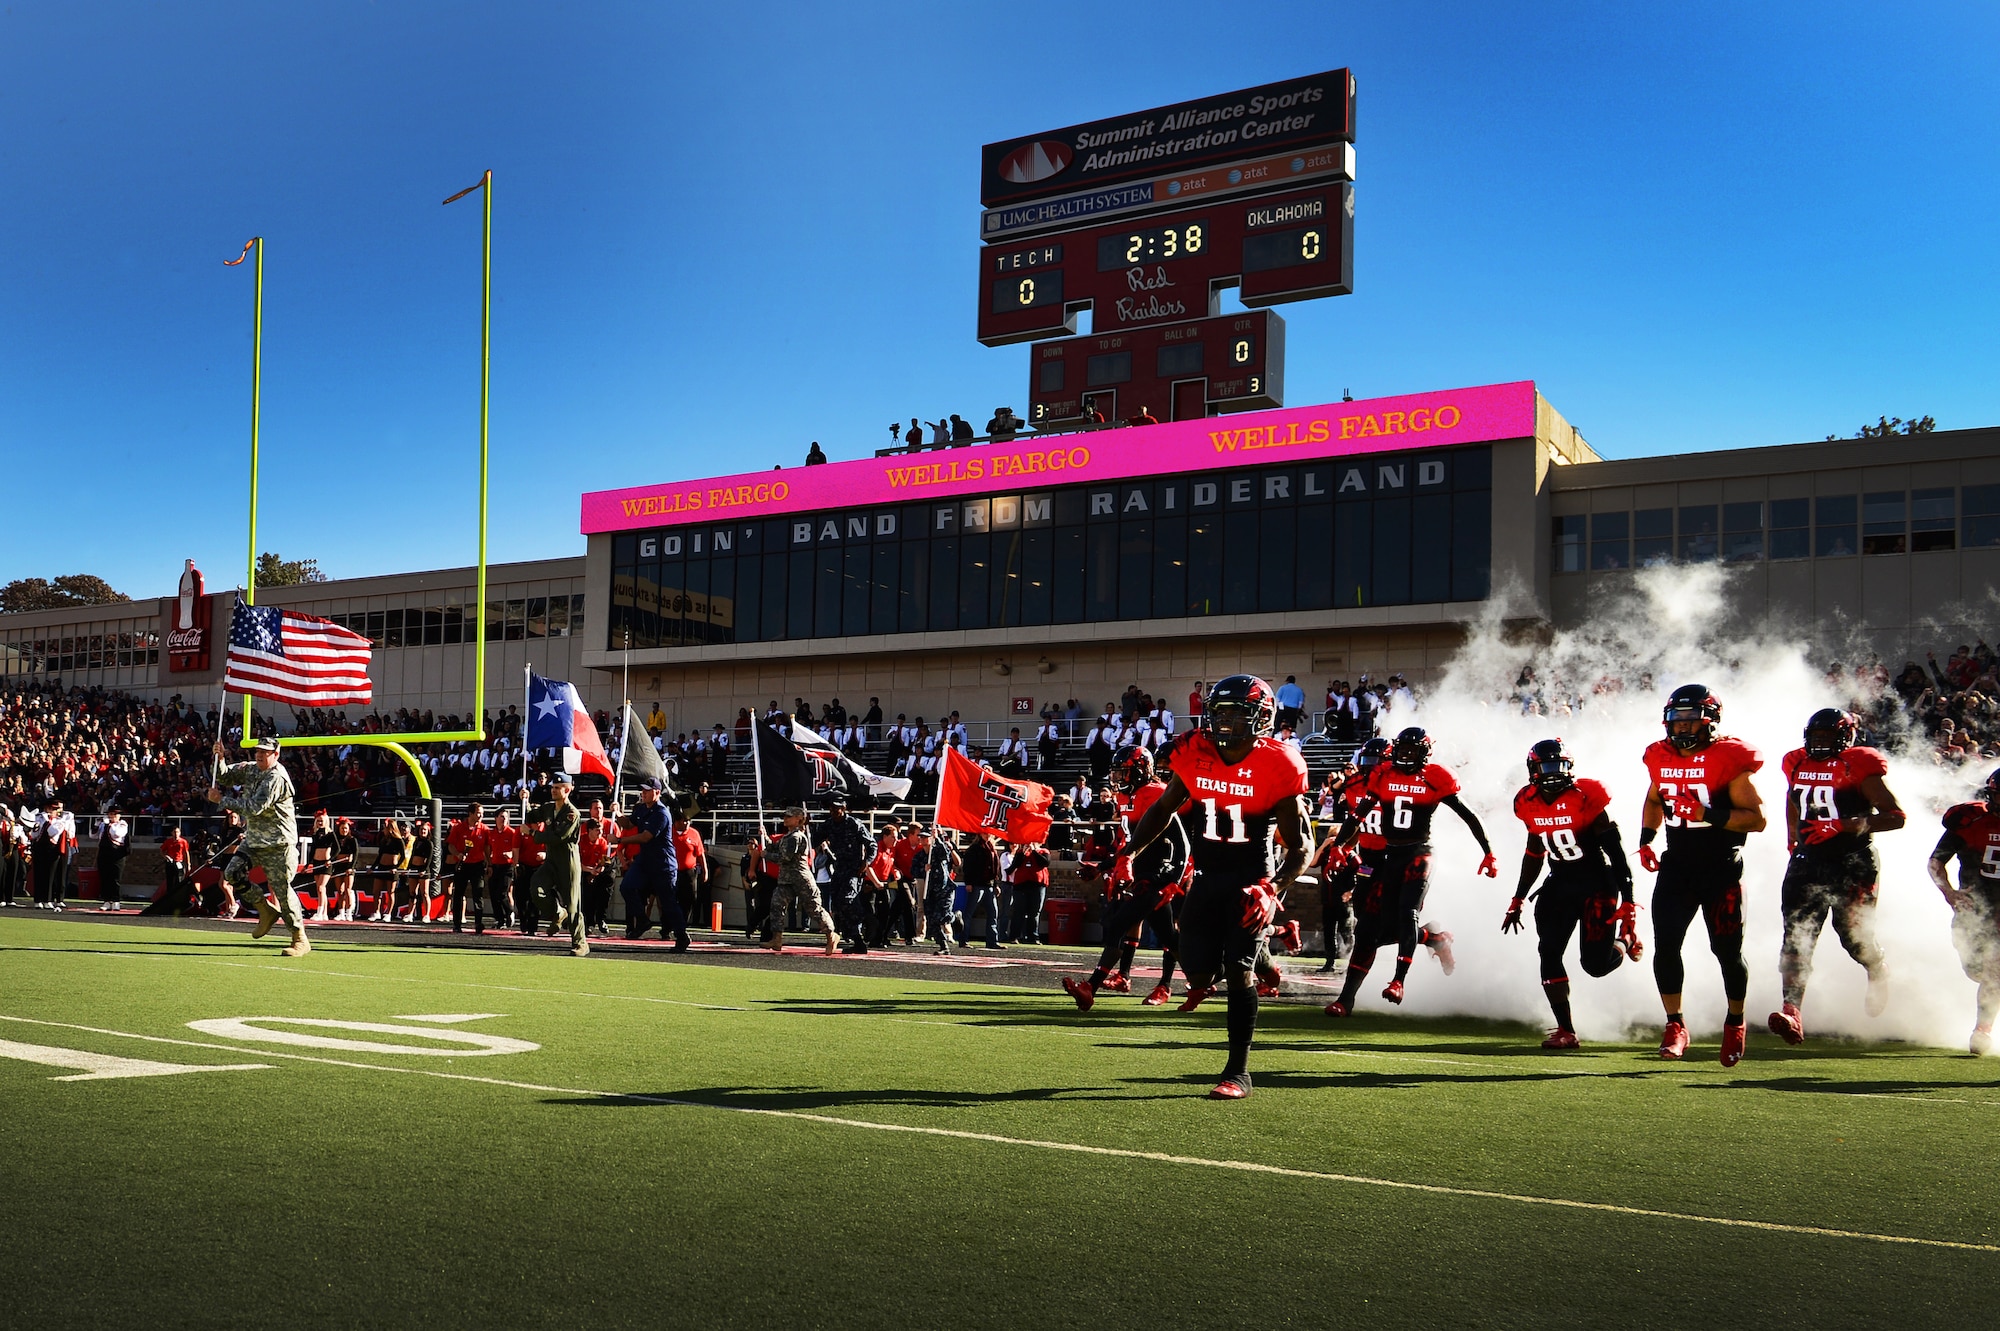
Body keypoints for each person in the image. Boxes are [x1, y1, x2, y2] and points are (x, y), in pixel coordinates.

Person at [1120, 675, 1309, 1100]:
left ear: (1261, 718)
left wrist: (1272, 888)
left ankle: (1237, 1072)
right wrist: (1128, 854)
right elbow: (1164, 809)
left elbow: (1302, 846)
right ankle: (1263, 945)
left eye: (1237, 714)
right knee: (1198, 970)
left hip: (1250, 881)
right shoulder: (1193, 752)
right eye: (1220, 713)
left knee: (1239, 970)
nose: (1226, 723)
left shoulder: (1280, 764)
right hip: (1206, 878)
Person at [1639, 684, 1766, 1066]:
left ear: (1710, 722)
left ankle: (1735, 1022)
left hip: (1721, 866)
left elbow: (1757, 821)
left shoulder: (1729, 758)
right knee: (1665, 946)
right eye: (1677, 721)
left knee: (1727, 953)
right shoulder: (1659, 757)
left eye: (1691, 721)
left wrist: (1706, 815)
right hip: (1677, 864)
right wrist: (1646, 838)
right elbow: (1653, 799)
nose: (1682, 729)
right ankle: (1675, 1024)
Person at [1326, 726, 1494, 1015]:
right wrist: (1339, 846)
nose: (1404, 755)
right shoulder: (1378, 778)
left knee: (1406, 913)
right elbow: (1357, 818)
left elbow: (1468, 815)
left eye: (1411, 751)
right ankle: (1347, 998)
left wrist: (1488, 852)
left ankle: (1398, 981)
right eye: (1401, 750)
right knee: (1369, 931)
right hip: (1382, 859)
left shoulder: (1434, 777)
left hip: (1417, 853)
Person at [1770, 708, 1905, 1043]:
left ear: (1845, 737)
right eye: (1815, 737)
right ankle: (1792, 1011)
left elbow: (1896, 816)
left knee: (1853, 937)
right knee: (1796, 937)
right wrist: (1793, 838)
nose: (1819, 743)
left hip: (1852, 861)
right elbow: (1793, 799)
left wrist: (1844, 825)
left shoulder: (1858, 765)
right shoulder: (1796, 763)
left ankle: (1877, 967)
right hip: (1807, 860)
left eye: (1827, 737)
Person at [1503, 739, 1641, 1049]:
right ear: (1533, 770)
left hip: (1597, 884)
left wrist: (1629, 899)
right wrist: (1518, 897)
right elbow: (1534, 852)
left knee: (1595, 965)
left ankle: (1625, 942)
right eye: (1546, 767)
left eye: (1559, 766)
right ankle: (1566, 1029)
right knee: (1548, 951)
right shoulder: (1527, 802)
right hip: (1559, 882)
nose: (1553, 774)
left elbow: (1617, 855)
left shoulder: (1586, 798)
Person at [1063, 745, 1190, 1010]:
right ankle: (1203, 980)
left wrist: (1172, 879)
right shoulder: (1126, 798)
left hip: (1160, 873)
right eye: (1117, 773)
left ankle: (1090, 987)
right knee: (1167, 935)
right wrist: (1102, 866)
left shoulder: (1156, 792)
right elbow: (1130, 843)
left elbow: (1182, 842)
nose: (1118, 779)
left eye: (1124, 773)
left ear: (1141, 772)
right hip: (1142, 870)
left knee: (1119, 924)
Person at [206, 737, 310, 956]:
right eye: (258, 751)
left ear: (276, 754)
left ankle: (299, 938)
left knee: (281, 889)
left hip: (278, 843)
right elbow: (224, 776)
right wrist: (220, 758)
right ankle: (265, 910)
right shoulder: (251, 769)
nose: (260, 755)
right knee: (232, 873)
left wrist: (221, 800)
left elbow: (254, 808)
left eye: (266, 752)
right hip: (254, 840)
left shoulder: (276, 777)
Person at [1929, 769, 2000, 1053]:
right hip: (1973, 910)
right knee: (1976, 971)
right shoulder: (1971, 820)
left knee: (1996, 970)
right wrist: (1949, 892)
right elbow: (1936, 862)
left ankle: (1982, 1030)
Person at [618, 779, 685, 948]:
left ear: (657, 792)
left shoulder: (662, 813)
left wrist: (620, 839)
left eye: (647, 790)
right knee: (626, 887)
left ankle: (681, 935)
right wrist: (618, 814)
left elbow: (645, 836)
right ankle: (641, 919)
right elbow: (629, 823)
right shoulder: (641, 808)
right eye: (643, 790)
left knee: (668, 902)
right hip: (645, 861)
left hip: (662, 863)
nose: (644, 793)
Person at [527, 773, 588, 956]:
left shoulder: (572, 813)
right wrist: (525, 800)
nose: (553, 790)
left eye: (557, 787)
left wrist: (533, 835)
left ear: (567, 790)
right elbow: (531, 816)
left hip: (567, 861)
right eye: (552, 787)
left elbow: (558, 836)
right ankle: (557, 912)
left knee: (573, 904)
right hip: (551, 859)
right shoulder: (548, 808)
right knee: (536, 886)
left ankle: (580, 943)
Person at [767, 806, 837, 954]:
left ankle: (831, 935)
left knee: (814, 909)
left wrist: (765, 855)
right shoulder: (788, 836)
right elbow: (775, 847)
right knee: (777, 905)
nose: (785, 818)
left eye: (789, 816)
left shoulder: (796, 837)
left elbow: (785, 858)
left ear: (799, 819)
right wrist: (765, 838)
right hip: (786, 880)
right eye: (785, 816)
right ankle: (777, 938)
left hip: (800, 879)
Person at [815, 793, 875, 953]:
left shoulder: (854, 823)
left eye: (838, 808)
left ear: (844, 808)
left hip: (853, 869)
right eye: (832, 808)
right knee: (838, 904)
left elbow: (872, 845)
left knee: (848, 900)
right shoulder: (828, 824)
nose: (835, 811)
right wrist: (805, 826)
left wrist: (866, 862)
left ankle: (867, 923)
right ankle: (856, 939)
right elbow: (814, 840)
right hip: (839, 868)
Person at [446, 801, 490, 933]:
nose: (480, 816)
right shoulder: (458, 828)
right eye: (478, 813)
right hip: (463, 865)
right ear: (470, 813)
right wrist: (458, 855)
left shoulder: (485, 829)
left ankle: (478, 923)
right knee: (458, 893)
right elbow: (450, 845)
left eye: (482, 814)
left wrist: (489, 862)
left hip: (478, 865)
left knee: (478, 893)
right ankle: (457, 924)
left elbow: (487, 847)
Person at [580, 801, 614, 937]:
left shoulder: (603, 842)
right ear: (589, 831)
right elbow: (576, 861)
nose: (600, 833)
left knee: (604, 891)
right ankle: (588, 922)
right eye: (597, 830)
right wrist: (589, 871)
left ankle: (601, 918)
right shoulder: (581, 841)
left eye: (600, 830)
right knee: (587, 895)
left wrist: (598, 870)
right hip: (584, 870)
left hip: (597, 870)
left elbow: (605, 859)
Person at [1008, 841, 1052, 944]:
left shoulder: (1043, 851)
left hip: (1037, 886)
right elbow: (1015, 865)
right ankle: (1014, 936)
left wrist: (1034, 851)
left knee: (1034, 912)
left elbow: (1044, 863)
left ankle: (1033, 937)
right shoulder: (1020, 853)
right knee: (1019, 912)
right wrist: (1023, 853)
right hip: (1021, 886)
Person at [486, 809, 521, 930]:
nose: (504, 819)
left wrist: (511, 854)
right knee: (493, 894)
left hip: (507, 867)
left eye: (506, 817)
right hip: (495, 866)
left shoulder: (512, 833)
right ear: (496, 818)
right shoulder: (492, 833)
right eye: (501, 816)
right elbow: (488, 849)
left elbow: (517, 849)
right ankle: (499, 919)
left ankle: (510, 911)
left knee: (502, 893)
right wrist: (489, 864)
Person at [94, 803, 129, 911]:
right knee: (104, 877)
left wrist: (110, 824)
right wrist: (96, 825)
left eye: (114, 814)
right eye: (110, 814)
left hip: (117, 853)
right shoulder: (104, 825)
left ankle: (116, 900)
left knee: (115, 878)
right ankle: (106, 901)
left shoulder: (122, 824)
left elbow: (116, 834)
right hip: (104, 852)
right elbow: (93, 835)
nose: (112, 816)